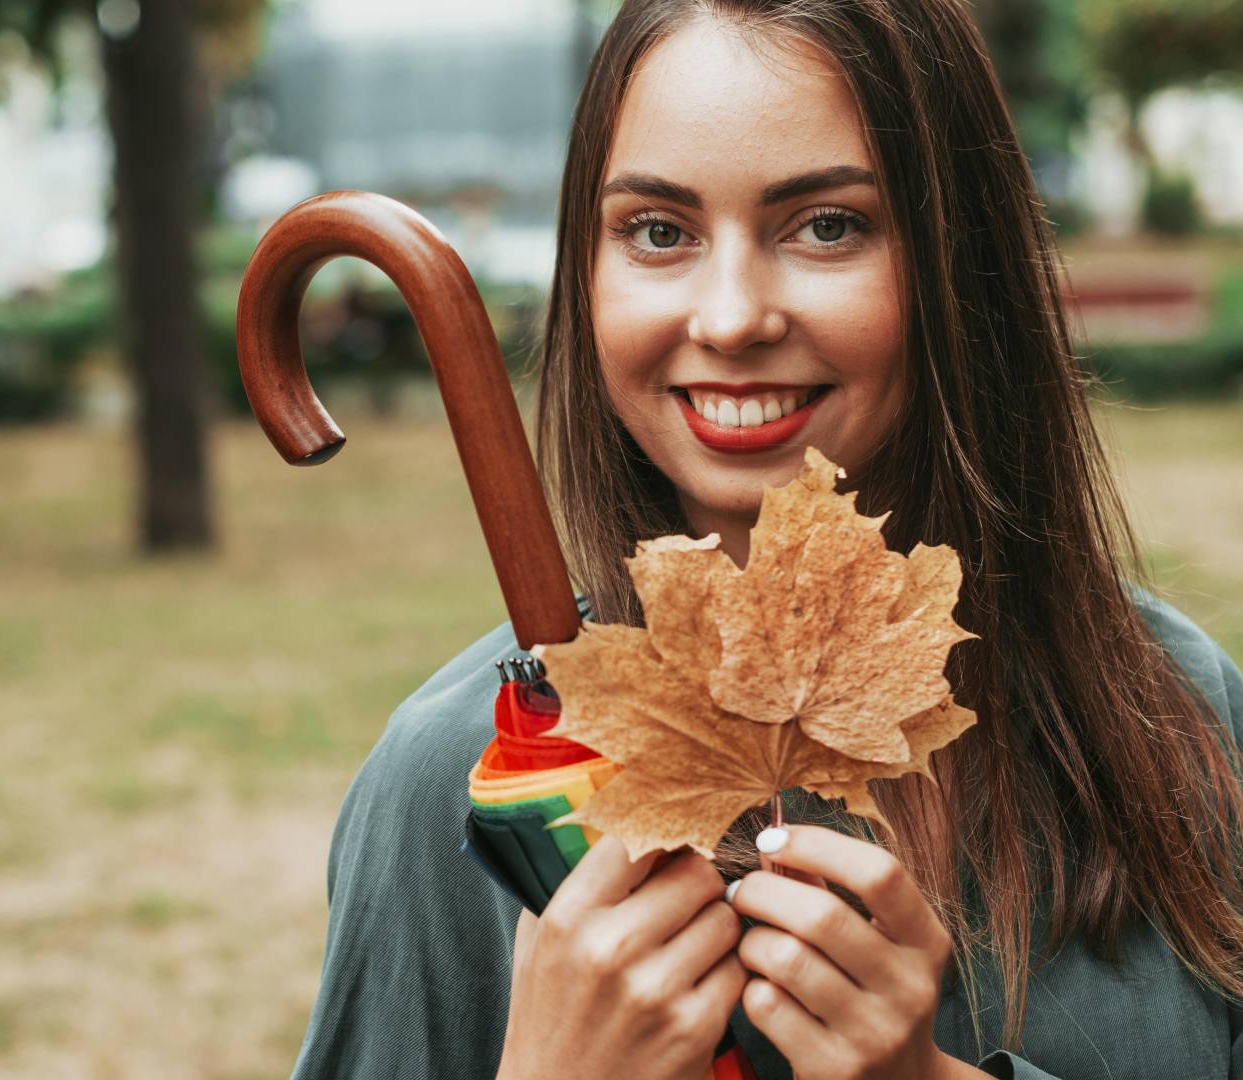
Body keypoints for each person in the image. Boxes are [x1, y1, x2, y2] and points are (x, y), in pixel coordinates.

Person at [288, 2, 1243, 1079]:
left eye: (826, 225)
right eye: (659, 231)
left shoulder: (1177, 710)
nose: (732, 317)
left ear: (957, 263)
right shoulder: (454, 783)